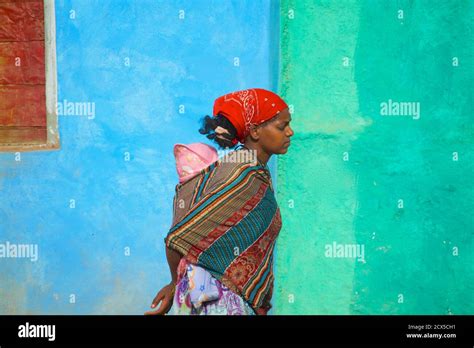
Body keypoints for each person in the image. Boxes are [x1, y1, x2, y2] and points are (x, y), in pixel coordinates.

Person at [145, 88, 294, 316]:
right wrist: (174, 282)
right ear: (254, 131)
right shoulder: (240, 174)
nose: (290, 132)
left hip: (226, 301)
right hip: (214, 302)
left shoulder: (254, 173)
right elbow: (182, 234)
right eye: (281, 127)